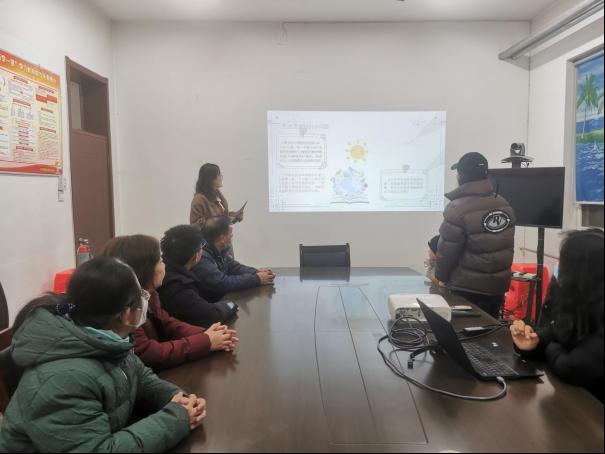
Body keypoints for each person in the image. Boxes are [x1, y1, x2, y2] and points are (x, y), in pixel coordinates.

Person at [0, 257, 206, 452]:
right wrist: (175, 419)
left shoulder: (106, 339)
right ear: (126, 314)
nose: (145, 302)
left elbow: (140, 377)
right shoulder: (63, 380)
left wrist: (177, 399)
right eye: (141, 297)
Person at [100, 235, 238, 371]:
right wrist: (206, 341)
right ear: (144, 270)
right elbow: (148, 353)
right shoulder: (125, 309)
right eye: (160, 261)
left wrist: (206, 334)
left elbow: (167, 323)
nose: (164, 265)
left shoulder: (149, 295)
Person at [510, 229, 604, 402]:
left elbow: (572, 368)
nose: (559, 267)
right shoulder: (581, 301)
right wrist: (532, 344)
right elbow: (556, 331)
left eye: (564, 262)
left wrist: (550, 347)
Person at [435, 152, 516, 317]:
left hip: (465, 290)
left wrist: (440, 277)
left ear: (461, 176)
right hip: (496, 290)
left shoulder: (457, 208)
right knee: (490, 330)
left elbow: (447, 253)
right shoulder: (504, 204)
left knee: (463, 331)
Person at [159, 224, 240, 327]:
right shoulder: (176, 286)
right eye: (201, 246)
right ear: (195, 256)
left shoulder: (168, 270)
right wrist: (231, 304)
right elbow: (211, 316)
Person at [192, 216, 275, 303]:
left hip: (221, 302)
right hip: (211, 307)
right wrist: (257, 279)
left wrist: (257, 272)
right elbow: (222, 283)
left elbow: (236, 268)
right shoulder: (202, 257)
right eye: (230, 234)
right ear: (222, 238)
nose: (232, 236)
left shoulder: (219, 250)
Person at [190, 163, 243, 229]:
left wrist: (235, 217)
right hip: (210, 236)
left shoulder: (216, 195)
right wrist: (220, 221)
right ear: (211, 179)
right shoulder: (199, 200)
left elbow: (220, 218)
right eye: (219, 175)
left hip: (222, 235)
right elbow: (195, 227)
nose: (221, 177)